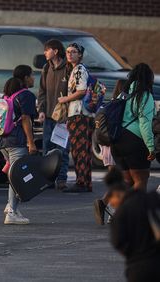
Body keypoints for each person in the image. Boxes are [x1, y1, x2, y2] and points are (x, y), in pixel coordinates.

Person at [106, 167, 160, 282]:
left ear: (117, 194)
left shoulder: (120, 215)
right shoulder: (153, 198)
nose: (112, 204)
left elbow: (118, 242)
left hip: (138, 267)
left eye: (111, 200)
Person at [110, 63, 155, 192]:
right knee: (141, 181)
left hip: (117, 141)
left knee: (128, 182)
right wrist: (151, 147)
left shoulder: (123, 95)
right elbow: (144, 124)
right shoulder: (145, 96)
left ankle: (104, 202)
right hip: (134, 142)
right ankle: (133, 211)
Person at [0, 76, 37, 225]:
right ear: (25, 78)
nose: (33, 78)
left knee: (13, 175)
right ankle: (11, 212)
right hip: (17, 142)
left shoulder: (6, 97)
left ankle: (11, 206)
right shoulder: (25, 96)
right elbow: (26, 119)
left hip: (3, 142)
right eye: (31, 75)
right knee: (17, 176)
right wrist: (31, 142)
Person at [58, 43, 94, 193]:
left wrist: (65, 99)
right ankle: (85, 182)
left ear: (80, 55)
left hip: (79, 114)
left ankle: (81, 183)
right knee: (83, 149)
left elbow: (81, 91)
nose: (70, 54)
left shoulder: (79, 70)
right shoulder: (74, 69)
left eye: (73, 52)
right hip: (82, 115)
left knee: (79, 150)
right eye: (67, 52)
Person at [37, 39, 70, 190]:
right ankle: (47, 179)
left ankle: (61, 179)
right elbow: (42, 91)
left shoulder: (68, 68)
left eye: (47, 50)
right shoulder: (46, 68)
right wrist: (41, 110)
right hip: (49, 116)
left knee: (62, 149)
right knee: (47, 148)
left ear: (55, 51)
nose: (45, 53)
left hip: (63, 118)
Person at [94, 80, 125, 225]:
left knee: (118, 180)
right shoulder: (122, 105)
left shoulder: (110, 103)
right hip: (115, 145)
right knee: (121, 180)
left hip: (105, 145)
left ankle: (111, 209)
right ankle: (106, 205)